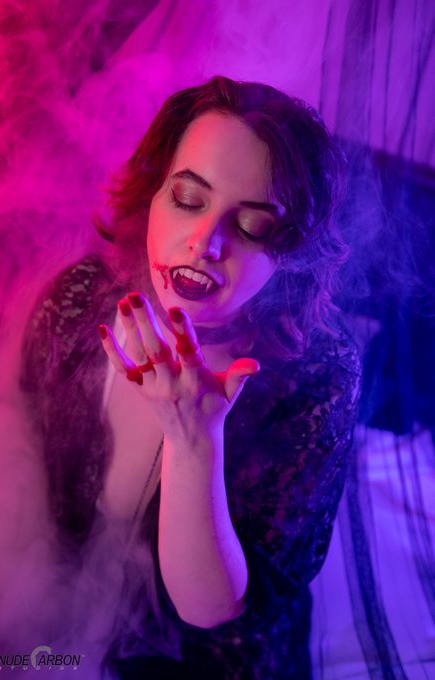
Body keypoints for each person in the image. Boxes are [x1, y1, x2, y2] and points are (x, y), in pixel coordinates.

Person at [20, 76, 361, 679]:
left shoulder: (319, 376)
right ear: (153, 193)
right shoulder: (76, 304)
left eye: (252, 227)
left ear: (291, 256)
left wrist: (193, 441)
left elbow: (214, 612)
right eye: (186, 198)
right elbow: (14, 471)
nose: (205, 242)